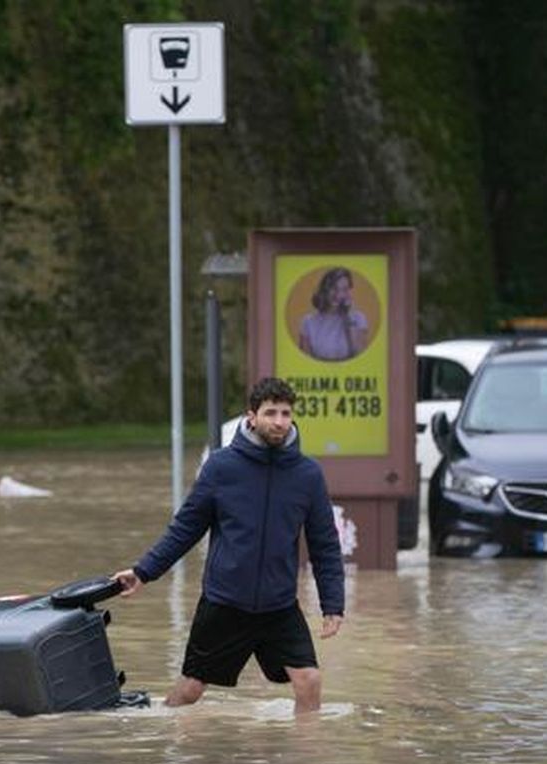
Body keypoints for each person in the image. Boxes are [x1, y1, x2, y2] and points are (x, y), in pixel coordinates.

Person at [113, 377, 346, 714]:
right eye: (270, 413)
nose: (279, 421)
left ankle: (302, 760)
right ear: (251, 416)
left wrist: (333, 605)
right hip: (224, 603)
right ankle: (165, 737)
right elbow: (186, 528)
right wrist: (144, 572)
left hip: (279, 606)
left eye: (285, 413)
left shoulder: (307, 475)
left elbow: (325, 544)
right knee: (191, 691)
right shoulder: (222, 467)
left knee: (309, 681)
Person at [297, 267, 370, 361]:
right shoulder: (308, 321)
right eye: (333, 288)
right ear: (324, 290)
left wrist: (349, 316)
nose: (338, 295)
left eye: (344, 289)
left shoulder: (358, 318)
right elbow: (303, 362)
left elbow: (360, 355)